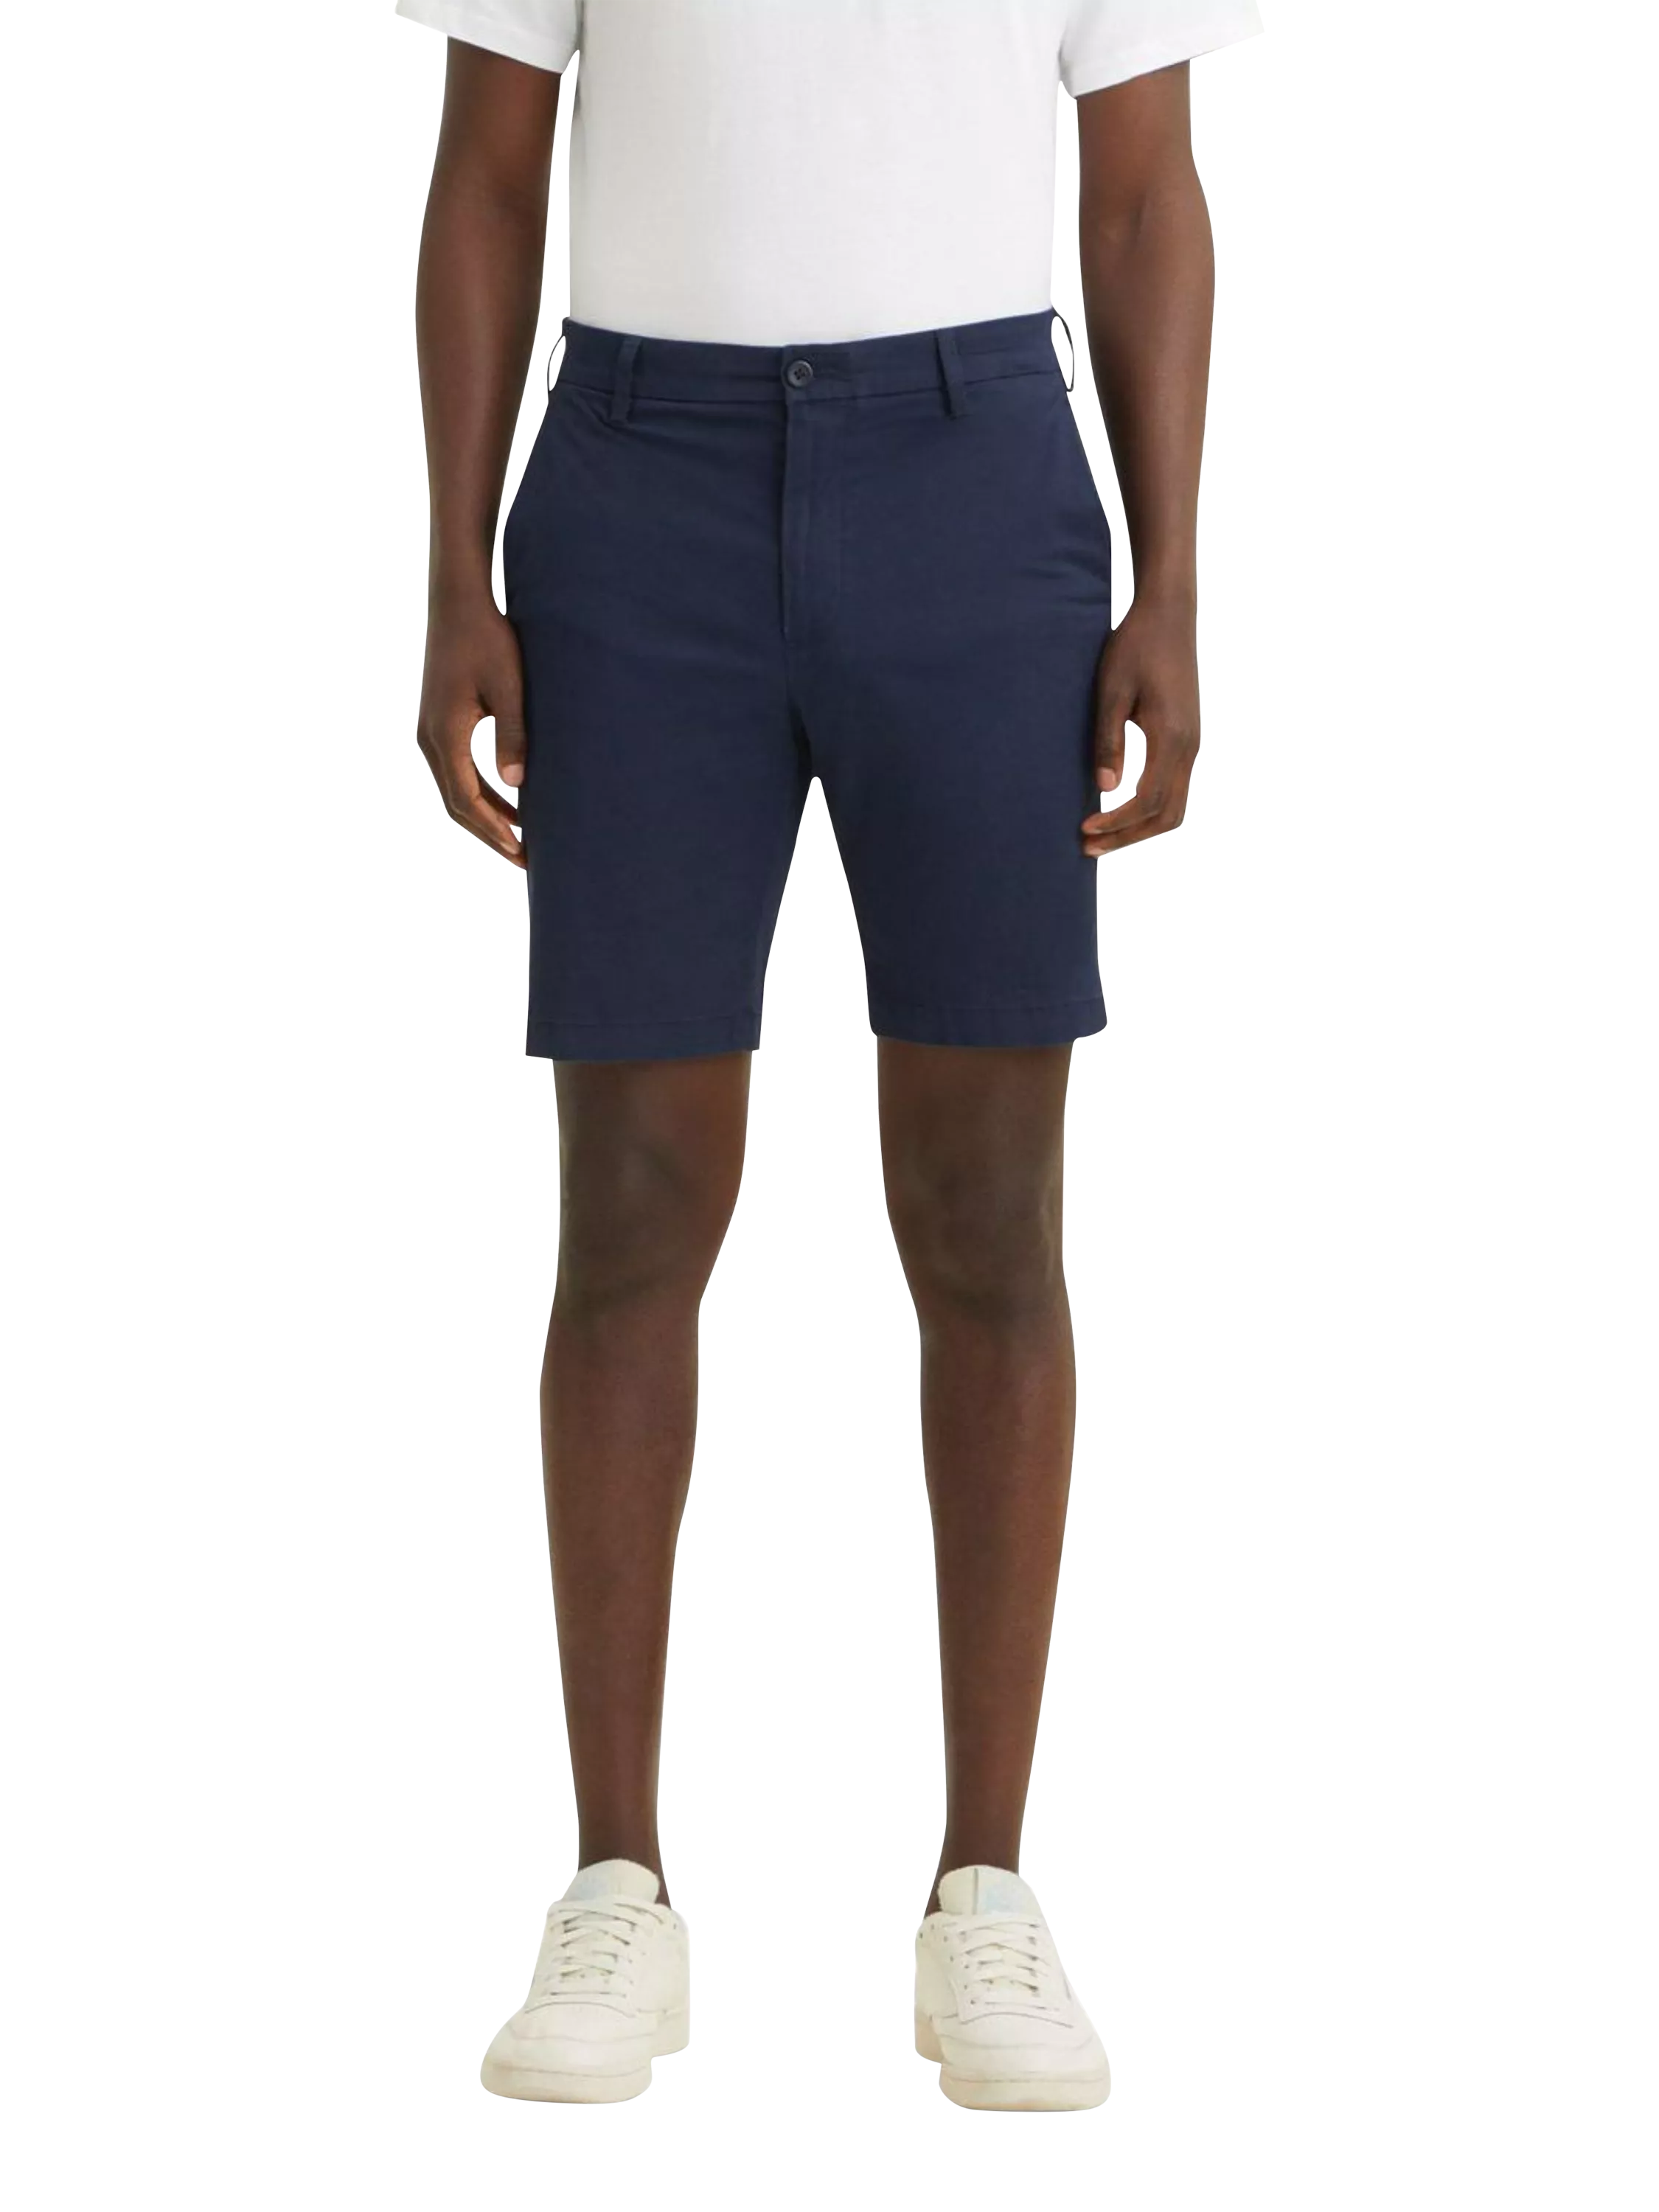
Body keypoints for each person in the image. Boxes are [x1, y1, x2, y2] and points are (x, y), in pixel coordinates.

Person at [400, 0, 1225, 2113]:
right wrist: (453, 578)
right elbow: (488, 171)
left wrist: (1173, 585)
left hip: (979, 482)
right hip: (636, 492)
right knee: (634, 1204)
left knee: (987, 1212)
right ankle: (617, 1884)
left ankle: (984, 1892)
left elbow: (1142, 194)